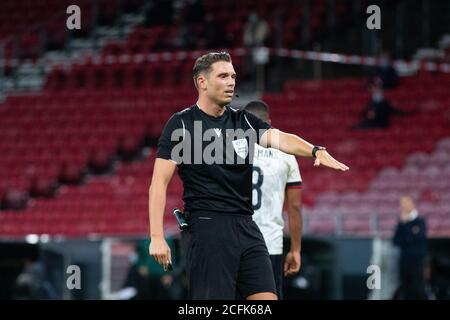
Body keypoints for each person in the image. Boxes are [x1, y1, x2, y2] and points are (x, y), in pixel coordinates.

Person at [148, 52, 349, 300]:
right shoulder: (181, 125)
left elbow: (282, 138)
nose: (231, 82)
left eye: (233, 76)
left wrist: (315, 150)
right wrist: (156, 236)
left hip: (246, 226)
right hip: (207, 227)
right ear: (202, 82)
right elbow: (159, 182)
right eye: (223, 76)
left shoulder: (243, 122)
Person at [244, 100, 303, 300]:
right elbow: (294, 207)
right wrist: (295, 249)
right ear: (269, 122)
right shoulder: (286, 153)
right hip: (269, 243)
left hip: (235, 242)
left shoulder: (229, 149)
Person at [393, 196, 428, 300]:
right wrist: (408, 235)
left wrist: (406, 233)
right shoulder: (401, 222)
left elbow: (415, 238)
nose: (403, 205)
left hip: (417, 260)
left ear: (413, 204)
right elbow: (396, 241)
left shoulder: (420, 221)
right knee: (405, 288)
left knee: (418, 287)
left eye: (406, 202)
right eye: (402, 203)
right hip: (404, 260)